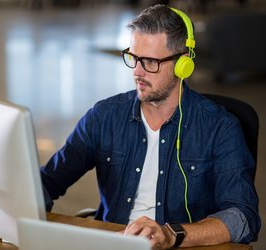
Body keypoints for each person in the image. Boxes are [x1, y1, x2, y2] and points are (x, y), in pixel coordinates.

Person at [40, 4, 260, 249]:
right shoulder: (104, 116)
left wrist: (172, 234)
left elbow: (243, 218)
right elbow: (48, 181)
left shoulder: (220, 127)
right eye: (133, 58)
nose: (137, 72)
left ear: (182, 65)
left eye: (150, 62)